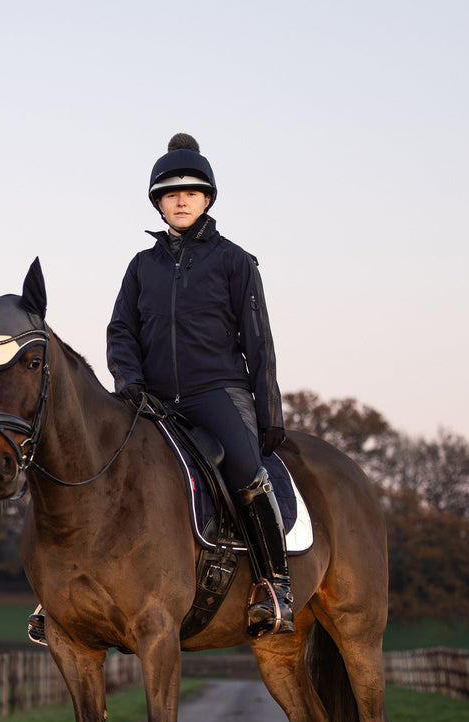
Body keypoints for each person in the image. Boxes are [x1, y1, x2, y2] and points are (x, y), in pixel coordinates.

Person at [107, 133, 294, 637]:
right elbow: (121, 330)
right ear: (159, 203)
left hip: (218, 392)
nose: (181, 199)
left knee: (244, 469)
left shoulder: (235, 261)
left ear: (207, 198)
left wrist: (269, 412)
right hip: (153, 399)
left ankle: (274, 586)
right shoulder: (140, 267)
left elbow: (260, 341)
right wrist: (129, 380)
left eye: (191, 191)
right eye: (171, 193)